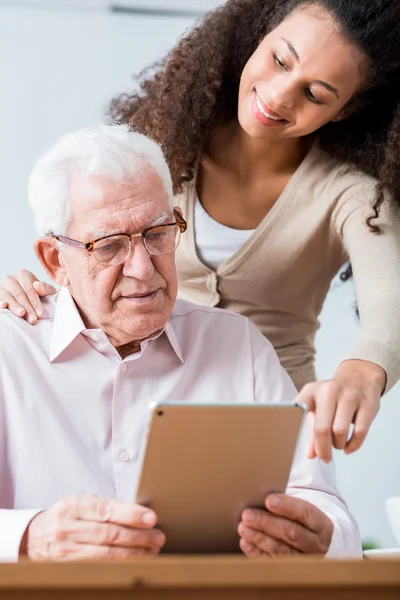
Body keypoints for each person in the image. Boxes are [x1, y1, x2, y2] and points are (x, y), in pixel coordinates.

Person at [2, 0, 400, 465]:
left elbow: (388, 298)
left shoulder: (353, 197)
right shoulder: (164, 141)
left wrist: (361, 374)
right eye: (279, 60)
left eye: (315, 93)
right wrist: (35, 283)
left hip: (268, 426)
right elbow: (93, 238)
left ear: (344, 109)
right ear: (259, 36)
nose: (278, 95)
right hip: (140, 407)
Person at [0, 124, 361, 562]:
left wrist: (322, 539)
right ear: (54, 259)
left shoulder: (237, 345)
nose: (143, 269)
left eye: (157, 234)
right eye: (110, 246)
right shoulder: (10, 348)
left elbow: (325, 509)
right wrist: (29, 536)